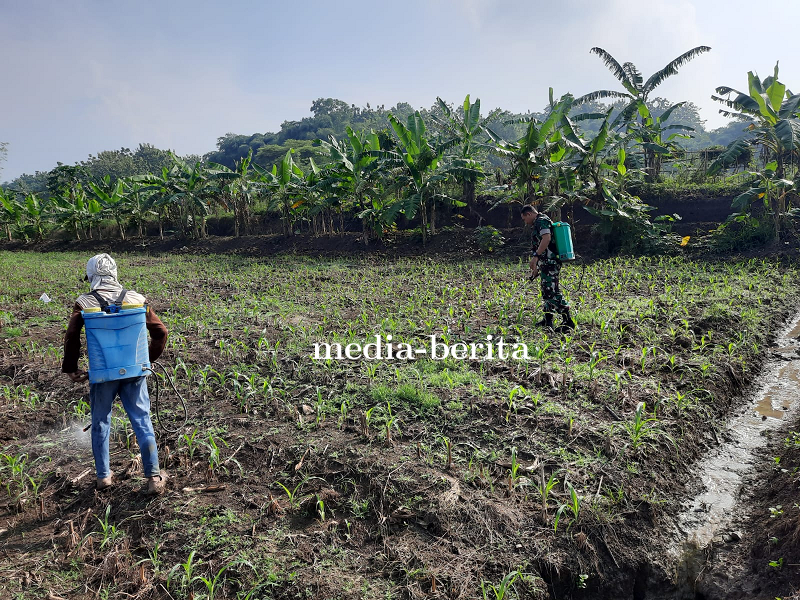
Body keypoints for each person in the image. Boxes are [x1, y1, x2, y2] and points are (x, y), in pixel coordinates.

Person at [62, 253, 169, 494]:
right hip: (134, 373)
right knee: (142, 420)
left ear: (91, 277)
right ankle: (153, 477)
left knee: (100, 422)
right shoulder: (137, 299)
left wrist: (70, 368)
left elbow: (72, 337)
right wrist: (145, 361)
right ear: (115, 274)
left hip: (102, 375)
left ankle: (103, 477)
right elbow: (161, 333)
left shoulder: (84, 302)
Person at [520, 205, 576, 333]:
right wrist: (537, 267)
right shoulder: (538, 222)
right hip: (546, 262)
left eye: (524, 219)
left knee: (552, 292)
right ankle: (547, 319)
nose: (525, 222)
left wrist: (536, 257)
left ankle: (568, 321)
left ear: (529, 214)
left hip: (550, 262)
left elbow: (547, 238)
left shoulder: (542, 221)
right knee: (547, 291)